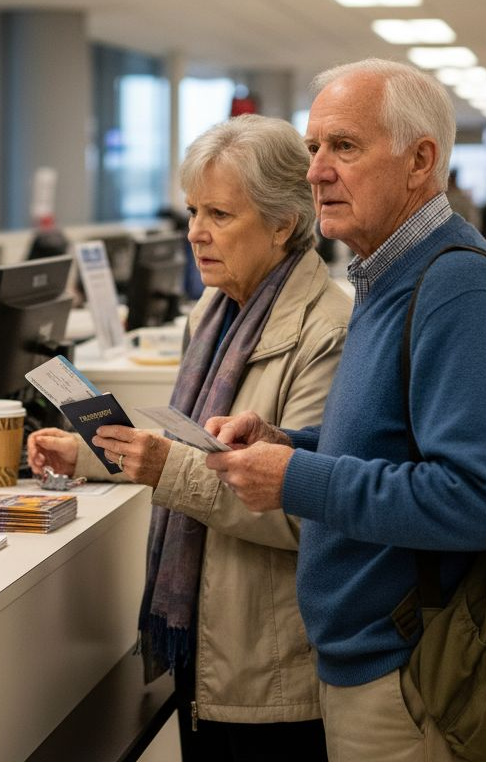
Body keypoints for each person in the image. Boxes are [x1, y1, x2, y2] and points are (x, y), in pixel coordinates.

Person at [203, 59, 486, 761]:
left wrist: (295, 479)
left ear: (421, 161)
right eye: (312, 149)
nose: (316, 172)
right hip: (371, 661)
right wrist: (291, 443)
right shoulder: (387, 276)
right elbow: (395, 445)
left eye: (344, 147)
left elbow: (484, 498)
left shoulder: (456, 290)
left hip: (414, 674)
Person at [28, 114, 348, 761]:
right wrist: (91, 454)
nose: (196, 234)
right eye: (192, 211)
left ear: (283, 223)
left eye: (220, 215)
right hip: (205, 635)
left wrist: (166, 467)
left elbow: (306, 508)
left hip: (269, 658)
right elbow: (192, 439)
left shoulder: (329, 330)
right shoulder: (214, 311)